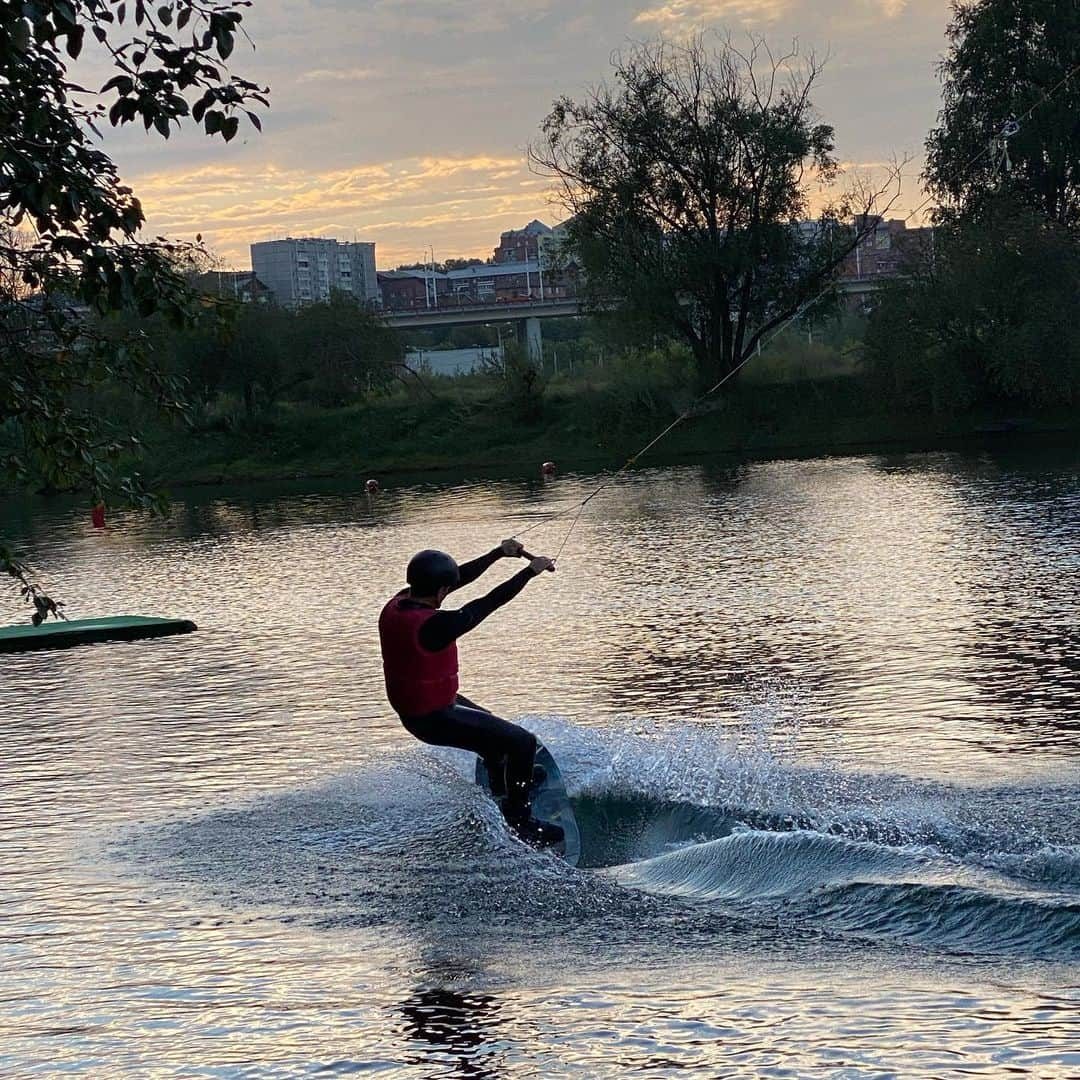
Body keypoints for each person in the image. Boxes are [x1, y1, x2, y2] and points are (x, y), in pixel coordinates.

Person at [379, 539, 564, 848]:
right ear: (440, 591)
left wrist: (497, 554)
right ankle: (521, 822)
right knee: (523, 742)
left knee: (490, 728)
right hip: (432, 717)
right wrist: (529, 572)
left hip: (422, 704)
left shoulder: (400, 601)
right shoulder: (433, 626)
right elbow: (488, 603)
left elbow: (455, 579)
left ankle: (501, 782)